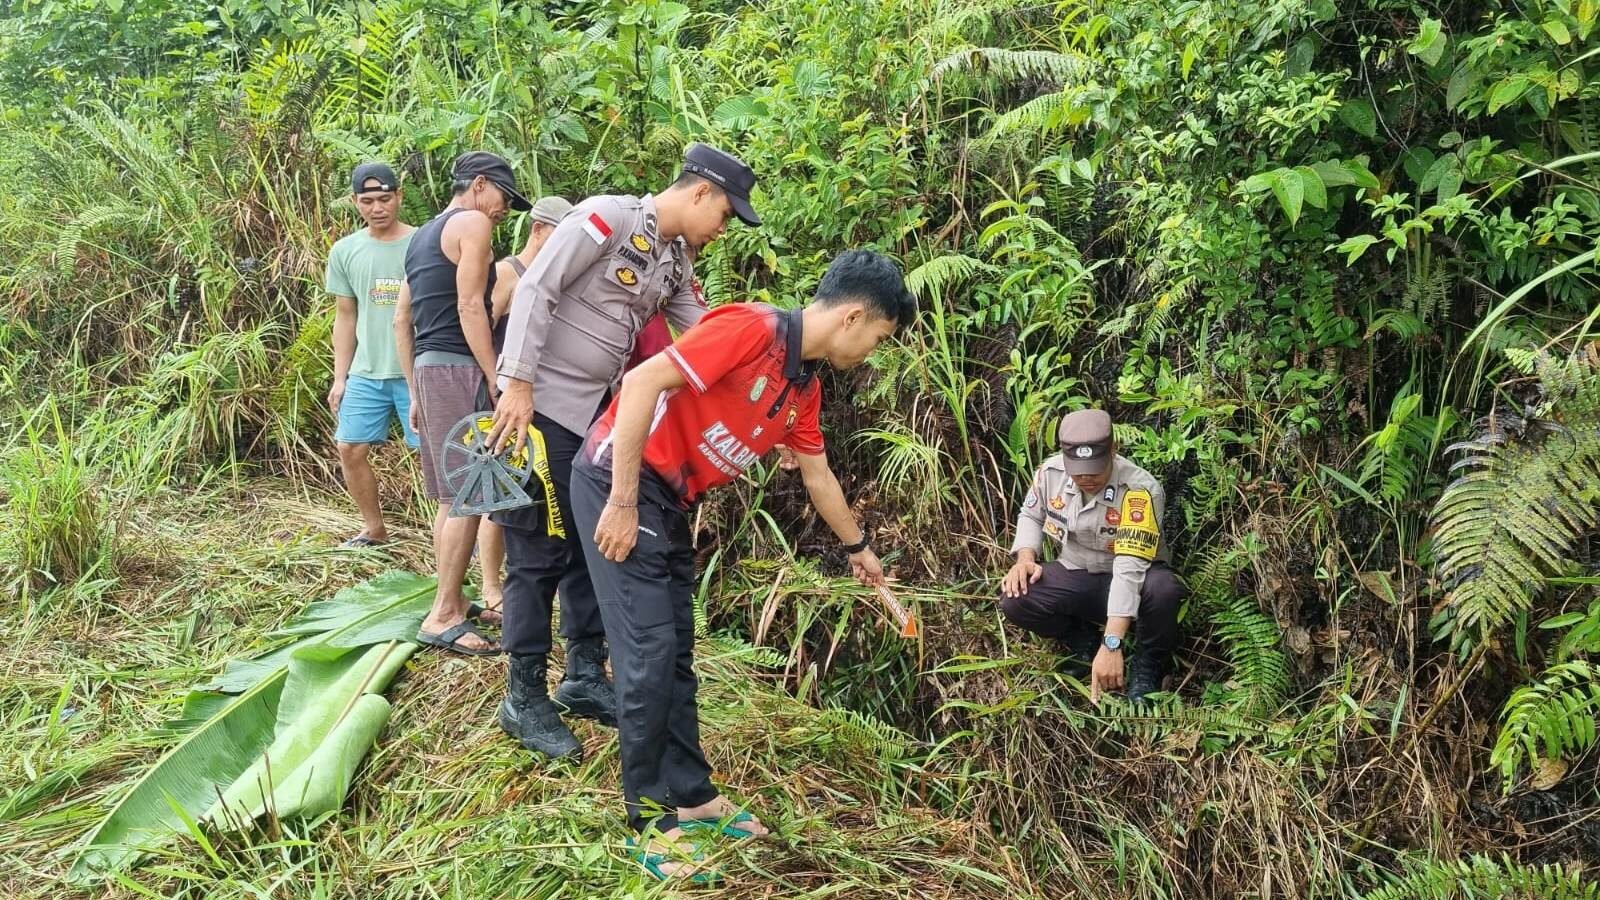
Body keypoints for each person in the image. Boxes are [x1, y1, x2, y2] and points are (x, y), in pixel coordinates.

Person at [571, 249, 917, 881]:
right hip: (618, 482)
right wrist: (620, 500)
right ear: (855, 317)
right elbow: (643, 382)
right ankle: (651, 822)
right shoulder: (750, 329)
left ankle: (693, 795)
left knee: (675, 652)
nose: (873, 350)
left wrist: (858, 550)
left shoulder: (803, 385)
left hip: (670, 500)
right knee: (646, 654)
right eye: (879, 337)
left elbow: (819, 475)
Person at [482, 144, 757, 761]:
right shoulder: (607, 218)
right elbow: (537, 289)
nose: (723, 229)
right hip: (542, 408)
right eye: (725, 215)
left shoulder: (672, 261)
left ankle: (582, 673)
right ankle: (522, 694)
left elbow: (709, 334)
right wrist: (517, 382)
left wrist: (769, 371)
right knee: (538, 549)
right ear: (700, 194)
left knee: (587, 546)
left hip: (598, 422)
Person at [393, 150, 530, 656]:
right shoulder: (471, 223)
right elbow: (472, 304)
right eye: (503, 198)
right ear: (479, 184)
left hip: (431, 367)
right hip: (459, 365)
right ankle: (444, 613)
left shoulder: (422, 235)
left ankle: (451, 596)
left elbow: (401, 319)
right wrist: (496, 375)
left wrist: (413, 388)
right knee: (471, 492)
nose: (504, 210)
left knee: (453, 496)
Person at [998, 409, 1185, 703]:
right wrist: (1025, 559)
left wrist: (1112, 644)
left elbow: (1129, 568)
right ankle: (1081, 640)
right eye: (1078, 470)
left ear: (1113, 449)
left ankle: (1148, 663)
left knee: (1164, 590)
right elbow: (1030, 515)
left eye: (1095, 470)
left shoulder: (1140, 490)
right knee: (1016, 597)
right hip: (1078, 574)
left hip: (1134, 583)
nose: (1085, 478)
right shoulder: (1051, 473)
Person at [324, 162, 417, 547]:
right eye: (367, 201)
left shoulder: (422, 242)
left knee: (436, 455)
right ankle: (373, 529)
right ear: (354, 202)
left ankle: (458, 533)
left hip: (415, 370)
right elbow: (346, 316)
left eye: (384, 199)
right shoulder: (345, 251)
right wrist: (340, 376)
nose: (377, 208)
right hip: (366, 370)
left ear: (399, 196)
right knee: (349, 446)